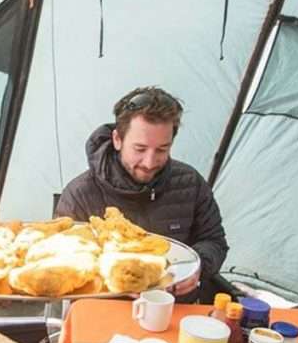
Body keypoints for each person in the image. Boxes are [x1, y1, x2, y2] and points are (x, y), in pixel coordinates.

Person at [55, 86, 228, 301]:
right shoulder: (79, 195)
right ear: (117, 139)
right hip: (106, 311)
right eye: (139, 149)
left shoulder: (190, 183)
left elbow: (214, 241)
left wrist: (198, 267)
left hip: (174, 310)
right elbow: (63, 264)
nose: (149, 162)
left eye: (162, 150)